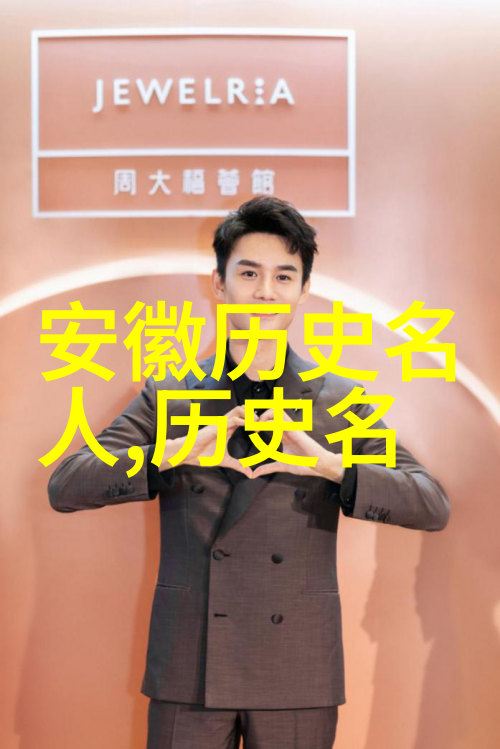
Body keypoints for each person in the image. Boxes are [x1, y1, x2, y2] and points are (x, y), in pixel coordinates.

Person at [48, 195, 450, 749]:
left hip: (297, 669)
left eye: (284, 276)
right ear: (219, 284)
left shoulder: (338, 400)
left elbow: (431, 503)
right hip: (191, 665)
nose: (266, 291)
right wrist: (168, 454)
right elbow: (66, 485)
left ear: (304, 289)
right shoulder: (172, 394)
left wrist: (336, 468)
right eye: (249, 273)